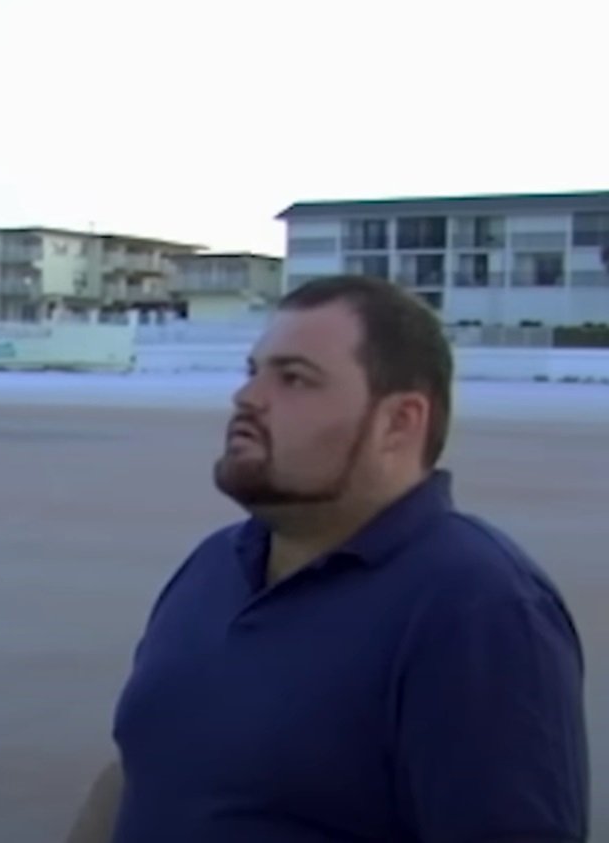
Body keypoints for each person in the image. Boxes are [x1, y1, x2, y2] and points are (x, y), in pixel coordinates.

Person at [68, 275, 588, 843]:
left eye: (293, 378)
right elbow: (140, 769)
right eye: (252, 371)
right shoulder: (213, 565)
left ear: (399, 422)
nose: (247, 397)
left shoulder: (478, 607)